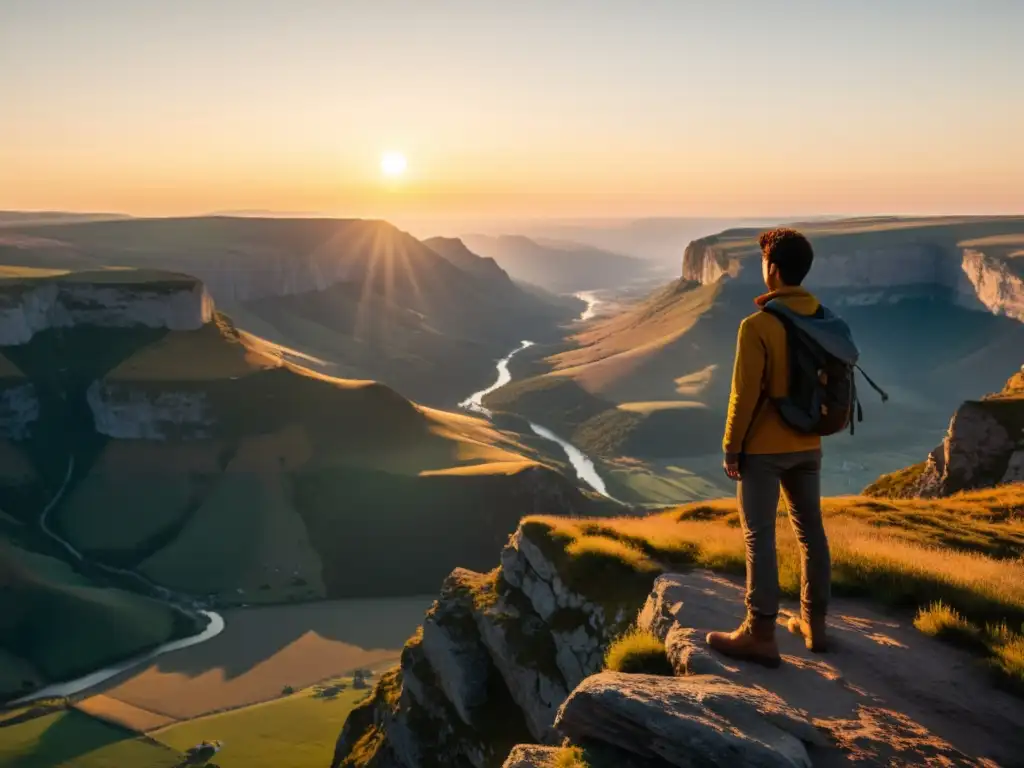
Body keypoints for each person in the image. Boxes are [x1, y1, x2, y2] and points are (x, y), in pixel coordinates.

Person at [706, 228, 831, 667]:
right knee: (811, 533)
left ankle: (760, 633)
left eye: (763, 262)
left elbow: (744, 394)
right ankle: (815, 626)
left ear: (772, 269)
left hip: (762, 449)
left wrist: (730, 447)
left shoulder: (757, 325)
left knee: (759, 536)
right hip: (809, 444)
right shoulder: (821, 317)